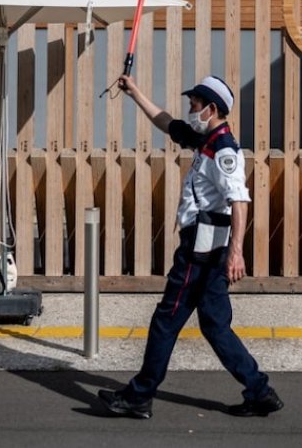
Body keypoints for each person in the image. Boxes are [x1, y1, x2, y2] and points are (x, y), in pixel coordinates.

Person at [98, 74, 283, 419]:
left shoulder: (223, 149)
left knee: (166, 320)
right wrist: (135, 90)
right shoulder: (205, 139)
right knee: (214, 325)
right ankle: (259, 391)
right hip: (208, 247)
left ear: (212, 109)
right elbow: (167, 122)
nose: (190, 109)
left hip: (202, 250)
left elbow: (239, 201)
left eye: (195, 105)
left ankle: (139, 396)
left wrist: (236, 252)